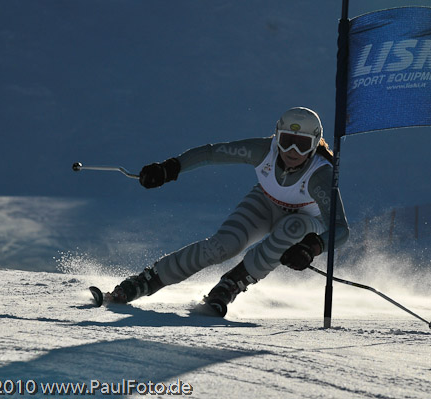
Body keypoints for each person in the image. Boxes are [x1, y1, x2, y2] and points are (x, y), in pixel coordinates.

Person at [103, 107, 350, 316]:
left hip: (307, 221)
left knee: (292, 228)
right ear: (277, 137)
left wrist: (312, 247)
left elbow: (340, 228)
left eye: (303, 145)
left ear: (315, 143)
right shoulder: (265, 150)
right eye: (287, 141)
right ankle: (146, 280)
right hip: (266, 202)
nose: (292, 152)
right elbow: (211, 154)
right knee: (223, 246)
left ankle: (232, 283)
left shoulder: (321, 174)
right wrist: (170, 168)